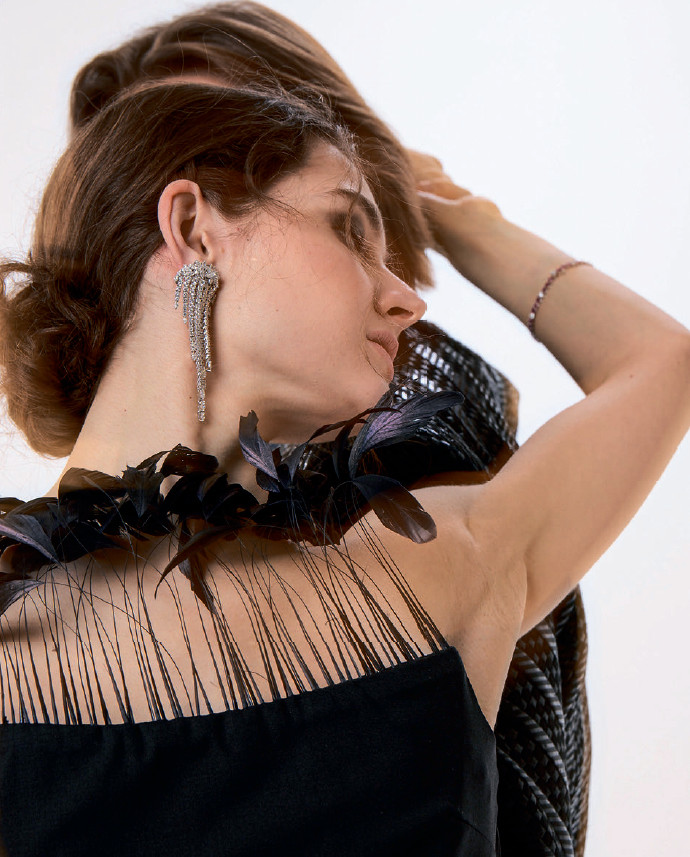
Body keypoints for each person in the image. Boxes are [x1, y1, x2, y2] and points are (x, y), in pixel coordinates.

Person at [0, 10, 688, 857]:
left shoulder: (443, 564)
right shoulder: (443, 575)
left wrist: (455, 211)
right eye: (348, 228)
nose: (406, 299)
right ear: (191, 228)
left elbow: (661, 365)